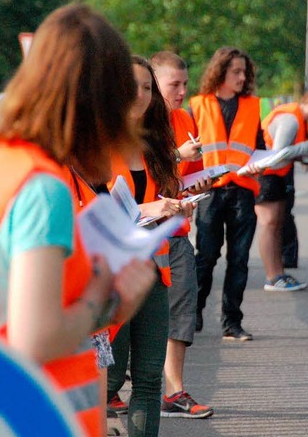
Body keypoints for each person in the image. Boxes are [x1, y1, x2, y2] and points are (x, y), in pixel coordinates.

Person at [0, 3, 158, 436]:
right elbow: (34, 339)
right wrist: (103, 299)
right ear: (101, 103)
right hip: (29, 418)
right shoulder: (45, 189)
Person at [106, 55, 192, 437]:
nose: (141, 96)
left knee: (148, 380)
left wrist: (176, 205)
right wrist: (151, 207)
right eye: (133, 87)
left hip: (154, 274)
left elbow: (160, 202)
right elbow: (89, 210)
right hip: (109, 278)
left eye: (147, 88)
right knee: (106, 382)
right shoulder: (94, 145)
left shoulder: (153, 146)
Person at [150, 51, 214, 419]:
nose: (182, 90)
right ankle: (111, 390)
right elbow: (136, 179)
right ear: (153, 83)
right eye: (174, 84)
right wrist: (177, 154)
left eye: (185, 83)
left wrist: (197, 186)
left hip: (176, 231)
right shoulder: (137, 123)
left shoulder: (185, 117)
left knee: (182, 308)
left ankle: (175, 391)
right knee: (131, 319)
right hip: (141, 235)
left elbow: (182, 181)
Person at [189, 46, 264, 341]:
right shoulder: (198, 105)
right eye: (236, 71)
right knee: (206, 256)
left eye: (244, 72)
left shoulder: (253, 106)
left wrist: (262, 163)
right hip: (210, 192)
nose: (242, 77)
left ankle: (232, 323)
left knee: (239, 259)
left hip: (243, 191)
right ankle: (193, 314)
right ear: (220, 72)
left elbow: (259, 145)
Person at [247, 87, 308, 291]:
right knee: (269, 225)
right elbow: (278, 154)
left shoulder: (298, 118)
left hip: (274, 176)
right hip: (266, 176)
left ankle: (279, 273)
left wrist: (306, 154)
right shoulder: (291, 119)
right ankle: (272, 276)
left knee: (276, 225)